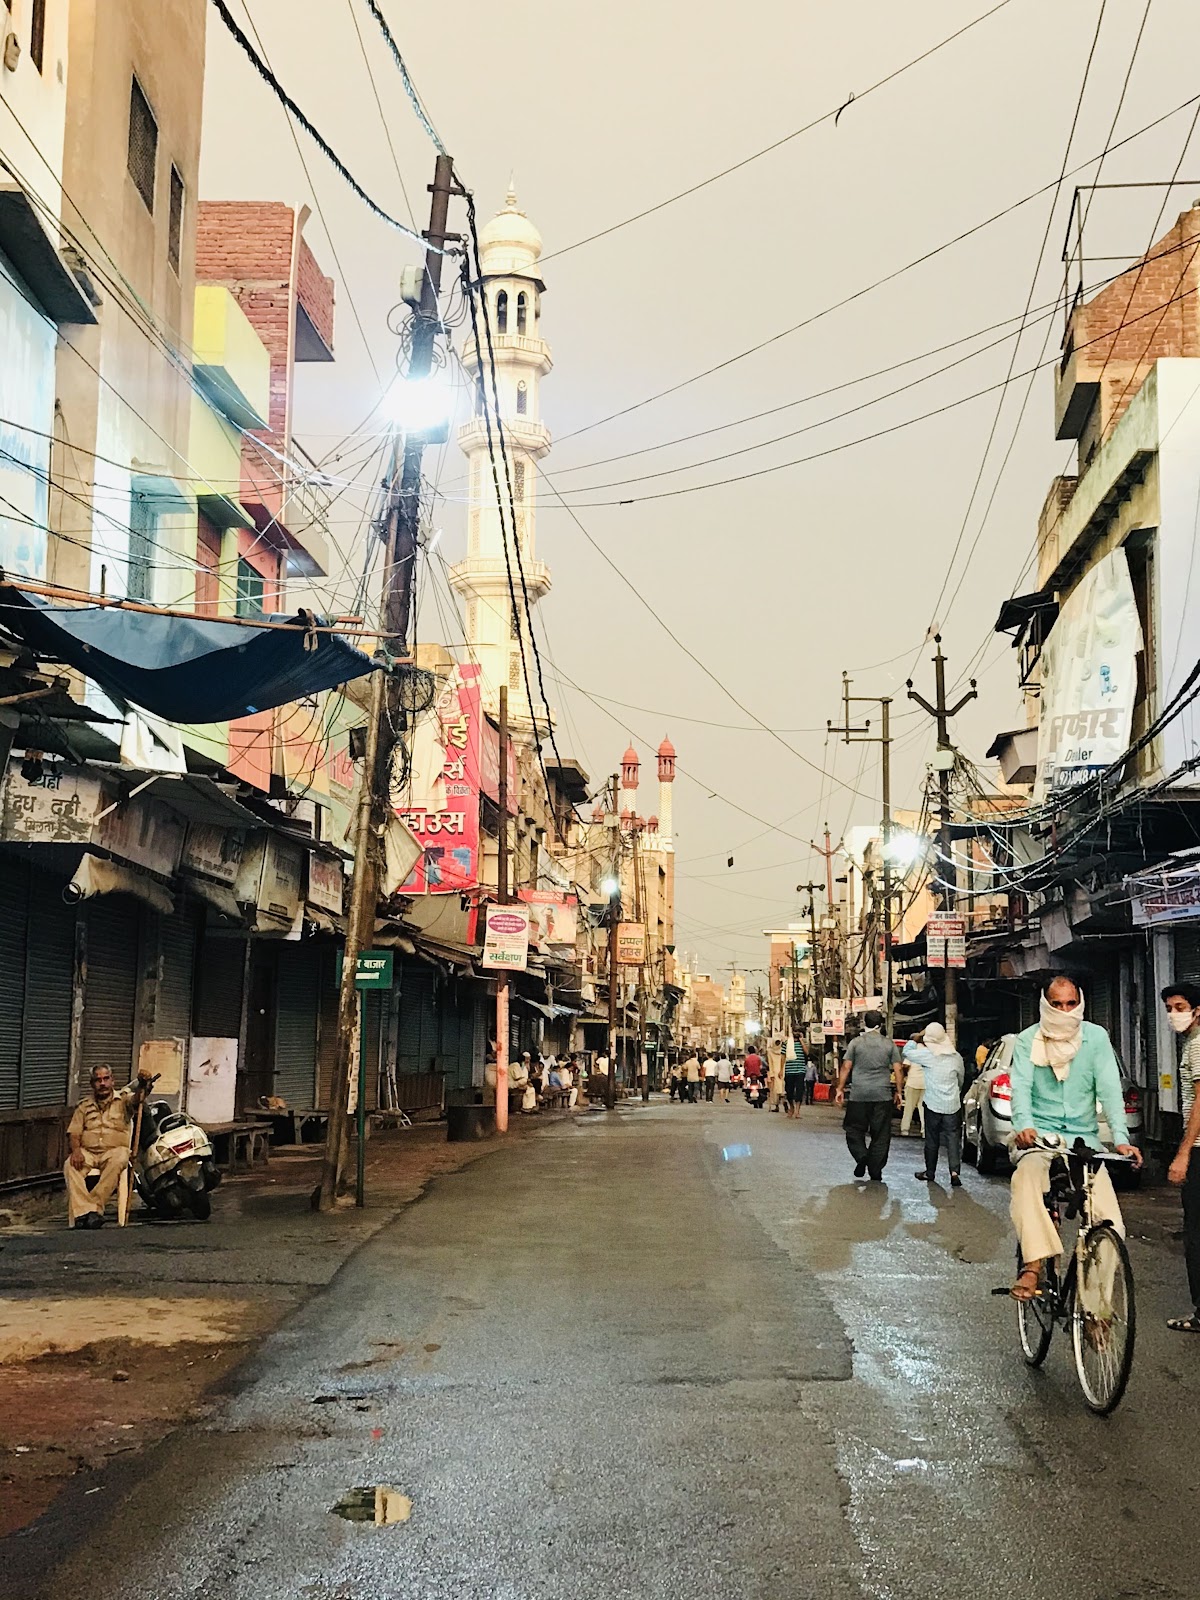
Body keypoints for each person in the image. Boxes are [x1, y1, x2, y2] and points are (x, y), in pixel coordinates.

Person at [1009, 974, 1142, 1300]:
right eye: (1057, 1004)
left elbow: (1110, 1090)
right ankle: (1034, 1265)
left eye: (1071, 1003)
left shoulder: (1096, 1038)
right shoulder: (1028, 1040)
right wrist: (1024, 1126)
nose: (1065, 1010)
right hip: (1040, 1138)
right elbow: (1021, 1089)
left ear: (1080, 1002)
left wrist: (1122, 1139)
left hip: (1085, 1141)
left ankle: (1096, 1307)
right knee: (1026, 1181)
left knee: (1110, 1223)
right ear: (1045, 1005)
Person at [65, 1062, 155, 1228]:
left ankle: (91, 1209)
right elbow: (74, 1132)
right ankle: (89, 1212)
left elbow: (138, 1099)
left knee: (120, 1157)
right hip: (89, 1152)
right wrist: (76, 1151)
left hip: (114, 1152)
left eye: (106, 1079)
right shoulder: (84, 1106)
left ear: (112, 1081)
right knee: (70, 1165)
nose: (103, 1083)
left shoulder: (123, 1101)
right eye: (98, 1080)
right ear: (92, 1084)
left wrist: (144, 1085)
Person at [1161, 981, 1200, 1333]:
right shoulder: (1191, 1043)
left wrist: (1184, 1152)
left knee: (1196, 1232)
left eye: (1181, 1006)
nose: (1174, 1014)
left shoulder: (1198, 1044)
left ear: (1198, 1010)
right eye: (1170, 1008)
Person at [835, 1010, 900, 1181]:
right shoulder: (889, 1044)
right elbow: (898, 1069)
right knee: (881, 1134)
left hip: (859, 1094)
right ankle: (875, 1169)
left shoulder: (856, 1043)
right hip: (882, 1095)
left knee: (854, 1129)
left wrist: (840, 1089)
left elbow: (846, 1067)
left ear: (865, 1023)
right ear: (881, 1024)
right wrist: (899, 1092)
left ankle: (862, 1156)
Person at [913, 1022, 965, 1186]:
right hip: (952, 1106)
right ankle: (954, 1172)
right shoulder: (956, 1058)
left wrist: (918, 1036)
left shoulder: (928, 1056)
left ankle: (930, 1172)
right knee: (953, 1139)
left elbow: (907, 1052)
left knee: (932, 1139)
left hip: (932, 1104)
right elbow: (961, 1080)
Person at [899, 1030, 928, 1138]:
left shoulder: (912, 1051)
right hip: (925, 1083)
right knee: (923, 1108)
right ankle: (924, 1131)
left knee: (908, 1108)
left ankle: (905, 1130)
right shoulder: (929, 1052)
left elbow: (905, 1066)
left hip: (912, 1082)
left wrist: (905, 1074)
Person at [784, 1041, 806, 1118]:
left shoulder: (803, 1043)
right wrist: (780, 1069)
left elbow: (807, 1052)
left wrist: (802, 1041)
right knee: (789, 1091)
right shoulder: (786, 1043)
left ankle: (797, 1111)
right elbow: (783, 1057)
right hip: (789, 1071)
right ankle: (791, 1107)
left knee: (799, 1090)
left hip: (800, 1071)